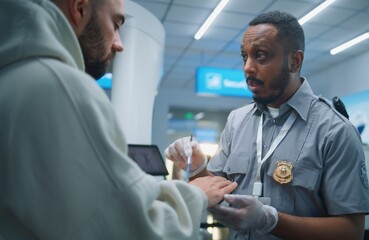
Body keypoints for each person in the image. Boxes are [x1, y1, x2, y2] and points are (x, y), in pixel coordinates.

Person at [0, 0, 237, 239]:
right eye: (115, 24)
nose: (119, 44)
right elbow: (134, 229)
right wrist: (195, 195)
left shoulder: (13, 74)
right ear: (79, 8)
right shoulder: (60, 86)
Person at [165, 10, 369, 240]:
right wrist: (196, 167)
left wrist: (270, 220)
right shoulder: (237, 120)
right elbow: (217, 193)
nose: (247, 67)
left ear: (295, 61)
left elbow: (351, 232)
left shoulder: (335, 131)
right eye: (245, 57)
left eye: (260, 56)